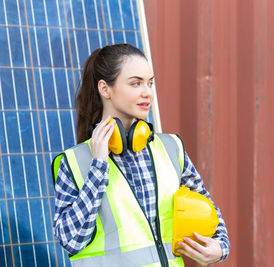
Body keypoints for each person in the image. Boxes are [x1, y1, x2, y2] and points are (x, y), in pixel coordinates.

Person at [52, 43, 230, 267]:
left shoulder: (171, 148)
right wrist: (98, 167)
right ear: (105, 89)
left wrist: (220, 247)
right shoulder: (76, 162)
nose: (147, 92)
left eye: (150, 83)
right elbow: (70, 240)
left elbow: (208, 209)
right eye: (135, 83)